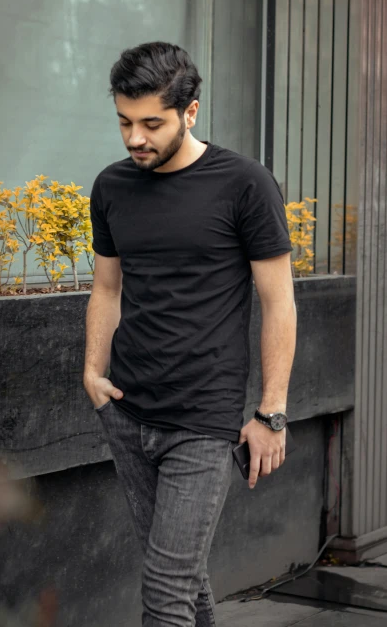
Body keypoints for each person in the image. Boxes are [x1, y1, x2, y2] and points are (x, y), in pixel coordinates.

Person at [83, 42, 297, 627]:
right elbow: (107, 288)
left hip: (204, 420)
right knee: (179, 575)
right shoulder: (111, 187)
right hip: (127, 410)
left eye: (152, 123)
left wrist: (272, 413)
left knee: (165, 590)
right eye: (125, 122)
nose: (135, 138)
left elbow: (280, 303)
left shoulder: (245, 184)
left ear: (191, 112)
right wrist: (93, 372)